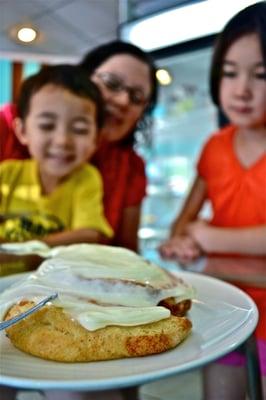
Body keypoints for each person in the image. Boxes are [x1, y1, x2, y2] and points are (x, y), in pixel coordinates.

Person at [159, 3, 266, 399]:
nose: (241, 89)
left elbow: (201, 230)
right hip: (224, 308)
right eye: (229, 72)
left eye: (261, 75)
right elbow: (181, 223)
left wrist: (208, 237)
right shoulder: (214, 147)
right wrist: (184, 239)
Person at [0, 41, 158, 252]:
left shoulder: (125, 168)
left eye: (137, 96)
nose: (122, 100)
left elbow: (126, 248)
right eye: (111, 83)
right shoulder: (6, 130)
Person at [0, 64, 113, 248]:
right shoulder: (6, 173)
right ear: (22, 131)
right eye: (47, 126)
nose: (62, 141)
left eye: (80, 129)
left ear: (96, 139)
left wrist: (22, 249)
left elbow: (89, 234)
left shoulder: (86, 179)